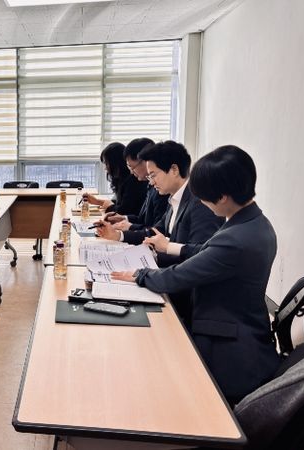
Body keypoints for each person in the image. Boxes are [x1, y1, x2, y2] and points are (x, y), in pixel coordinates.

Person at [112, 146, 280, 405]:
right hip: (246, 326)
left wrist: (140, 274)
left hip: (228, 345)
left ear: (222, 197)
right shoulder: (255, 223)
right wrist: (171, 247)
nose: (201, 202)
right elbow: (207, 252)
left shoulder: (235, 239)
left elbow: (178, 277)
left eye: (204, 197)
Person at [95, 140, 223, 267]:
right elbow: (155, 232)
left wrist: (148, 271)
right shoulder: (175, 198)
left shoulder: (200, 203)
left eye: (153, 175)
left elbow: (200, 258)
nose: (151, 182)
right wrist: (118, 235)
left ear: (174, 170)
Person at [104, 137, 169, 231]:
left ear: (145, 161)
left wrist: (129, 227)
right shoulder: (150, 185)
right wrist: (124, 218)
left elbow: (157, 230)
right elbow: (143, 219)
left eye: (132, 167)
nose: (131, 172)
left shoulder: (162, 189)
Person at [86, 142, 147, 216]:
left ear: (115, 163)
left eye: (106, 163)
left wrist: (106, 204)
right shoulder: (122, 179)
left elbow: (122, 211)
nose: (105, 168)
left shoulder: (133, 180)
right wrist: (97, 201)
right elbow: (117, 203)